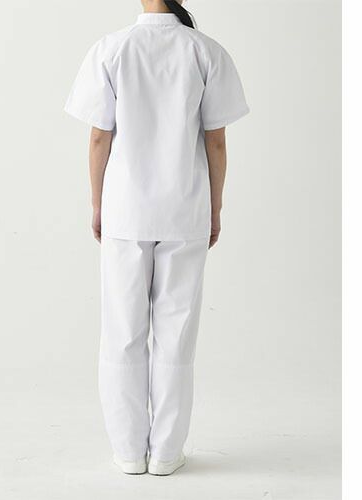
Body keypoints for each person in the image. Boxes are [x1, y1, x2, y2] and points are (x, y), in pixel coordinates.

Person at [65, 0, 249, 476]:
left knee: (122, 333)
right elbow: (215, 140)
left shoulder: (111, 50)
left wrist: (97, 203)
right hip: (185, 210)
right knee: (176, 335)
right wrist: (215, 205)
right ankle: (167, 453)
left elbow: (99, 137)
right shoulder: (205, 52)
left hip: (126, 211)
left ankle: (129, 452)